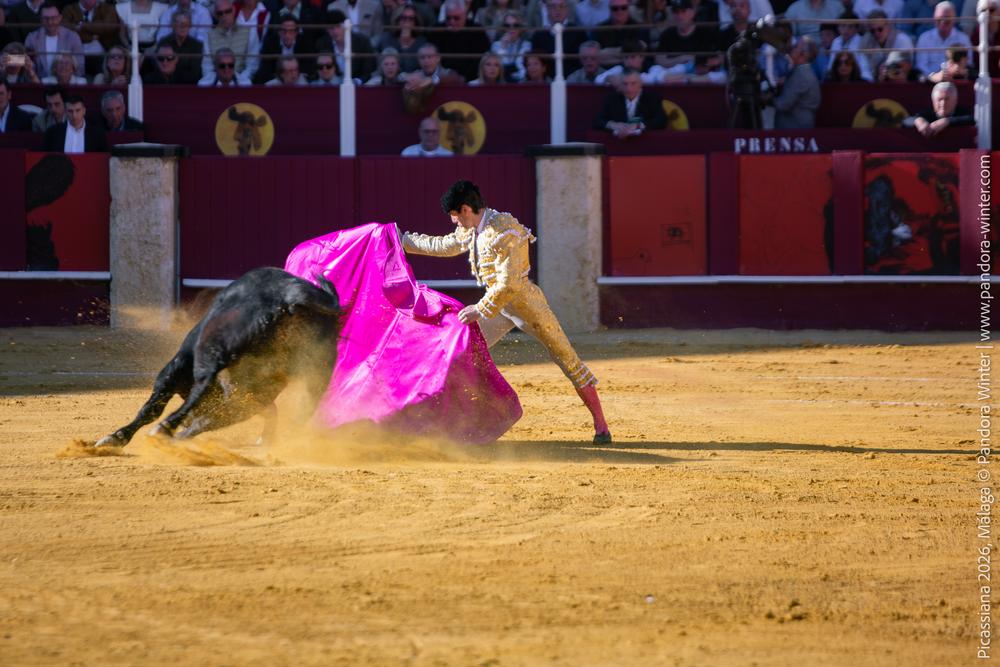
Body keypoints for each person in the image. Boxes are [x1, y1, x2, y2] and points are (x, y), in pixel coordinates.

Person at [400, 180, 612, 444]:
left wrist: (480, 308)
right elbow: (446, 245)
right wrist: (403, 240)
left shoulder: (506, 229)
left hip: (527, 307)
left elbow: (509, 283)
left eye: (454, 215)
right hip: (498, 309)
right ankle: (465, 420)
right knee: (461, 352)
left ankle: (601, 426)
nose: (454, 222)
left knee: (568, 359)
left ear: (466, 209)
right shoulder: (473, 229)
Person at [428, 0, 491, 81]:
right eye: (448, 18)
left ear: (465, 15)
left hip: (472, 79)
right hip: (441, 79)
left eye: (456, 18)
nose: (452, 21)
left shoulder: (477, 31)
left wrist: (463, 77)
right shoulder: (436, 31)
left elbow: (482, 58)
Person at [594, 67, 667, 135]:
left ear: (640, 83)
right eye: (625, 84)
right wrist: (612, 125)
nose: (629, 88)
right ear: (620, 84)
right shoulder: (611, 98)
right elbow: (598, 121)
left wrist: (639, 125)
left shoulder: (652, 98)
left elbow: (661, 121)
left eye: (633, 83)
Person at [61, 0, 120, 78]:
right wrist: (92, 36)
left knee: (101, 76)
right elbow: (65, 29)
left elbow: (108, 28)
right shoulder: (69, 9)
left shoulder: (107, 8)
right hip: (75, 54)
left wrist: (82, 26)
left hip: (101, 54)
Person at [25, 2, 84, 79]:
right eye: (46, 19)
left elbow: (80, 67)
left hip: (67, 83)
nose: (50, 22)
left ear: (60, 18)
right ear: (41, 19)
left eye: (53, 18)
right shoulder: (32, 38)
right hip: (40, 83)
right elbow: (28, 66)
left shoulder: (72, 37)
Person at [201, 0, 256, 83]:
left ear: (233, 10)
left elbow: (252, 64)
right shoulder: (209, 36)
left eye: (227, 11)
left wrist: (238, 81)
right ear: (216, 15)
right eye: (220, 13)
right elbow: (207, 67)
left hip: (242, 82)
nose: (224, 15)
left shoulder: (249, 32)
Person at [315, 9, 376, 82]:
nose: (335, 31)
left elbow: (368, 70)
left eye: (338, 26)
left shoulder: (362, 42)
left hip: (360, 85)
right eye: (331, 28)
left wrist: (357, 81)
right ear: (326, 30)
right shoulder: (322, 44)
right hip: (332, 85)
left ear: (345, 26)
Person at [773, 35, 821, 128]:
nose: (792, 48)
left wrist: (769, 99)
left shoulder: (801, 74)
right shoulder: (802, 71)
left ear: (803, 54)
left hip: (795, 129)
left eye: (795, 47)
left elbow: (784, 104)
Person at [914, 1, 971, 75]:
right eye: (939, 18)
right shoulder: (924, 38)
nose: (943, 21)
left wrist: (954, 72)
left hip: (955, 79)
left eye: (947, 18)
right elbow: (921, 65)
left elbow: (968, 63)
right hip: (929, 80)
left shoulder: (963, 39)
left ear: (954, 18)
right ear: (934, 18)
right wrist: (935, 77)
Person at [529, 0, 585, 73]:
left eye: (561, 6)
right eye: (553, 7)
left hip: (574, 77)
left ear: (567, 9)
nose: (558, 10)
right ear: (547, 10)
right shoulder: (538, 35)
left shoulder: (578, 32)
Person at [255, 15, 315, 83]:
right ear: (279, 32)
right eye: (284, 31)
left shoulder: (305, 42)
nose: (287, 35)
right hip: (277, 77)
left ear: (296, 32)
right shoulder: (270, 42)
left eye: (291, 31)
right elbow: (265, 68)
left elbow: (308, 67)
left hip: (297, 77)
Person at [902, 80, 974, 136]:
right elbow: (905, 121)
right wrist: (918, 121)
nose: (943, 103)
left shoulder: (963, 112)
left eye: (947, 99)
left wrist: (947, 121)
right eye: (939, 99)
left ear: (955, 100)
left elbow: (972, 119)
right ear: (933, 101)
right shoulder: (927, 113)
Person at [43, 93, 107, 152]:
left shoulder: (98, 134)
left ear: (84, 111)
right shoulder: (52, 132)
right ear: (65, 112)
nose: (74, 115)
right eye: (70, 111)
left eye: (78, 110)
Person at [859, 9, 913, 75]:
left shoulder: (902, 39)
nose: (876, 33)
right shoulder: (866, 40)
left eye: (880, 29)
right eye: (872, 31)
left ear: (888, 26)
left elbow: (906, 67)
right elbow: (863, 67)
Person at [155, 10, 203, 83]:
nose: (182, 26)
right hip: (165, 82)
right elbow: (159, 65)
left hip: (188, 83)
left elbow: (195, 71)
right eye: (179, 23)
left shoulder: (196, 45)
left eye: (185, 24)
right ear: (173, 25)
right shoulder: (163, 42)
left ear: (190, 26)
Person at [376, 4, 425, 72]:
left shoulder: (422, 42)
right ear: (397, 19)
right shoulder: (386, 39)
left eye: (411, 18)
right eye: (403, 18)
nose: (407, 21)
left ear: (415, 22)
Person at [826, 11, 873, 80]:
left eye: (850, 27)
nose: (846, 30)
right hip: (838, 78)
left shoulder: (862, 42)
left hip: (858, 79)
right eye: (843, 26)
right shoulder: (835, 42)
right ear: (838, 27)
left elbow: (864, 67)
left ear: (856, 29)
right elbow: (831, 65)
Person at [490, 9, 529, 80]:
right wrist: (503, 48)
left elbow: (522, 71)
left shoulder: (527, 45)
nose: (511, 28)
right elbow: (498, 70)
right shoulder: (496, 46)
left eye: (516, 25)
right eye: (507, 25)